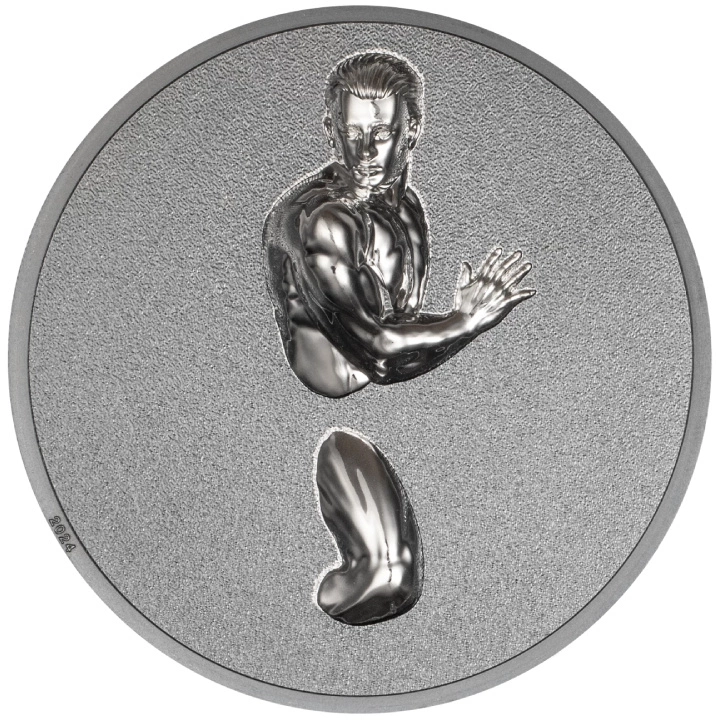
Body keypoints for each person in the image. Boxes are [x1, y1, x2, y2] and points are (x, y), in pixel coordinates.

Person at [263, 52, 534, 625]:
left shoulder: (406, 209)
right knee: (389, 575)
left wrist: (451, 324)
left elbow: (400, 326)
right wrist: (466, 321)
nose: (365, 151)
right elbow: (379, 354)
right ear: (331, 129)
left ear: (411, 131)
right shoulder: (325, 221)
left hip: (375, 389)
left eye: (381, 133)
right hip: (335, 380)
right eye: (352, 132)